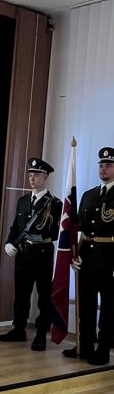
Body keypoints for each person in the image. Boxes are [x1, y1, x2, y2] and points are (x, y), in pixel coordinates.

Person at [0, 158, 62, 350]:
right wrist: (9, 242)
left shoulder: (55, 203)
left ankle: (41, 334)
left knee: (43, 297)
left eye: (36, 175)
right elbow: (15, 227)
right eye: (30, 175)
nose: (32, 178)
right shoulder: (23, 201)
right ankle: (18, 329)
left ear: (45, 177)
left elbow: (56, 233)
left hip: (42, 253)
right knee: (21, 295)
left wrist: (37, 237)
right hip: (23, 254)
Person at [64, 146, 114, 365]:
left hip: (110, 258)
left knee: (109, 308)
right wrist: (75, 254)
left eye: (108, 165)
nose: (103, 169)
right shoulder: (89, 195)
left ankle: (102, 349)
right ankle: (85, 346)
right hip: (87, 257)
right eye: (101, 165)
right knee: (86, 305)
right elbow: (80, 228)